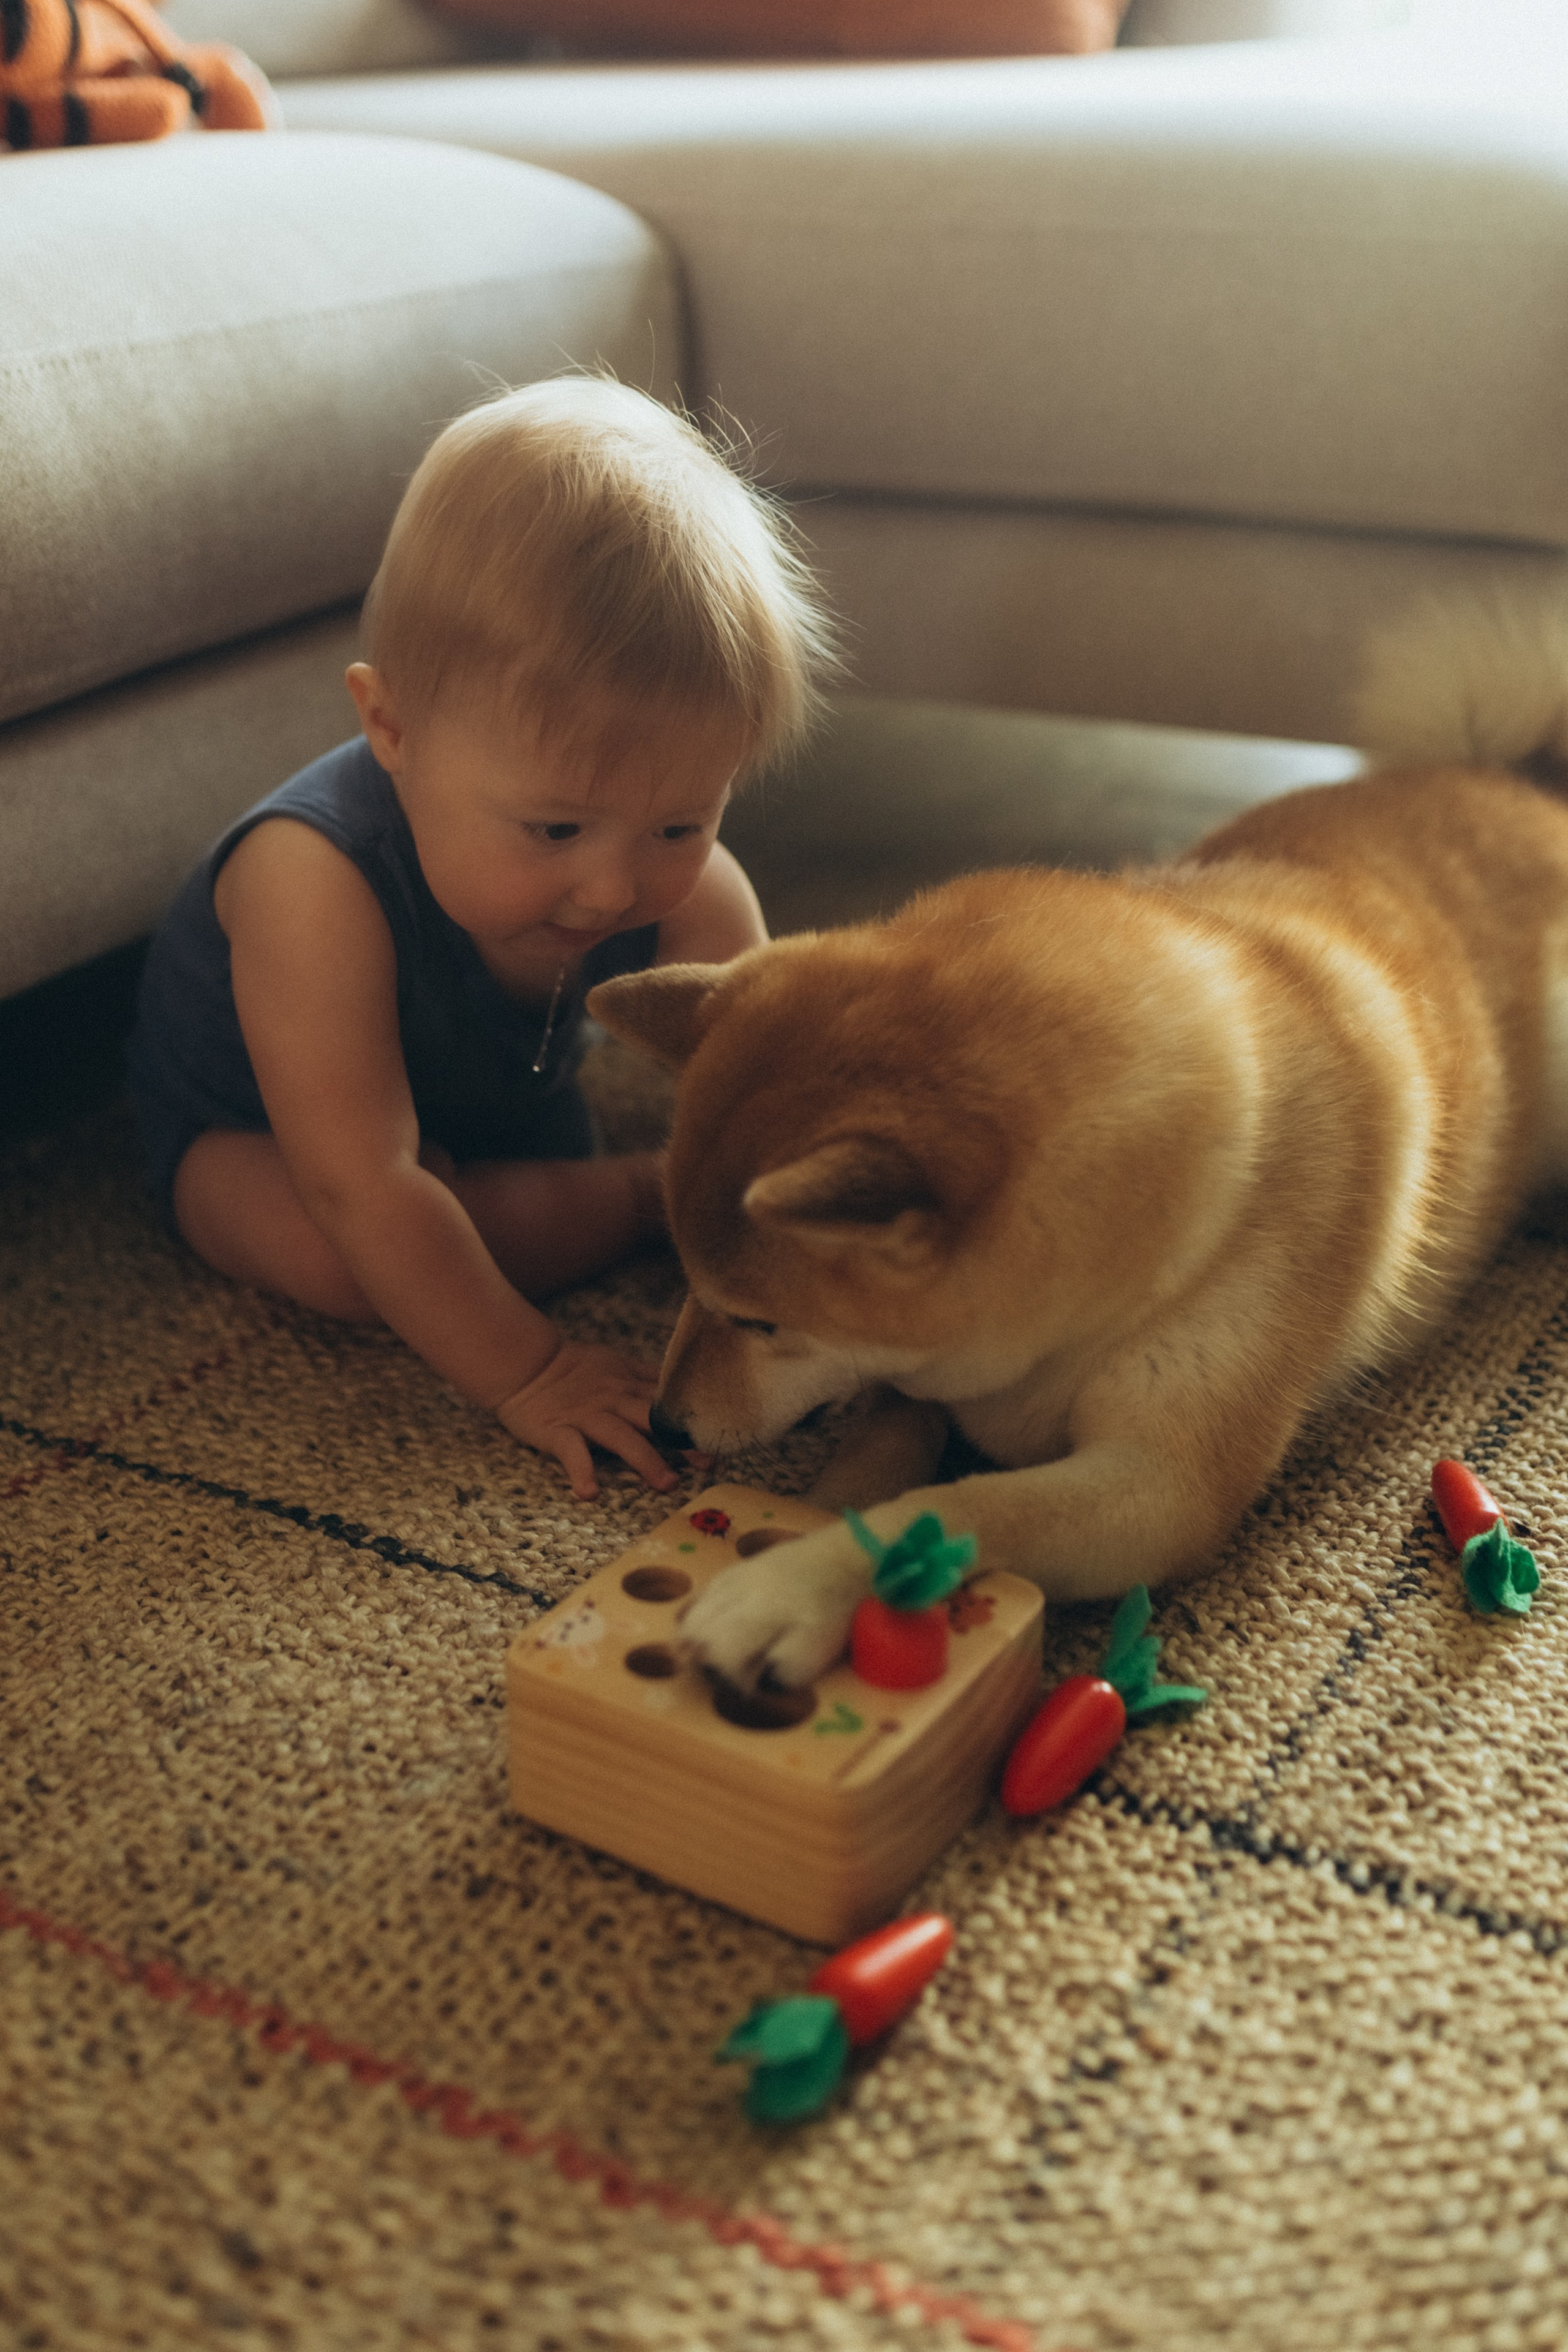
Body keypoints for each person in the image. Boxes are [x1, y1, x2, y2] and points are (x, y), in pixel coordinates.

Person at [127, 377, 836, 1500]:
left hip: (490, 1120)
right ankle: (642, 1198)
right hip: (261, 1136)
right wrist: (534, 1368)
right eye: (556, 826)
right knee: (350, 1256)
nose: (613, 885)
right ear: (391, 727)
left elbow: (776, 1075)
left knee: (462, 1214)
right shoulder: (310, 883)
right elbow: (362, 1181)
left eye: (679, 820)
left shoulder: (676, 893)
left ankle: (557, 1196)